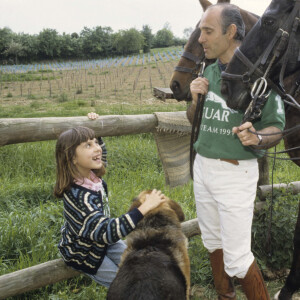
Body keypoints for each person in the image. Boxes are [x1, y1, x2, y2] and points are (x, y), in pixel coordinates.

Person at [187, 4, 285, 300]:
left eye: (207, 31)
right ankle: (224, 296)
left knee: (238, 258)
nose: (200, 38)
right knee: (212, 241)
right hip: (202, 167)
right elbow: (196, 120)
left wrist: (257, 136)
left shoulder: (261, 79)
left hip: (234, 172)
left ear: (231, 32)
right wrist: (194, 100)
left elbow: (275, 129)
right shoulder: (208, 72)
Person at [54, 120, 166, 288]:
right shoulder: (79, 197)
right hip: (84, 251)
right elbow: (108, 231)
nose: (97, 148)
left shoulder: (91, 176)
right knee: (124, 286)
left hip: (102, 239)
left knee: (138, 266)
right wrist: (143, 208)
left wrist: (95, 125)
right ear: (71, 157)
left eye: (96, 143)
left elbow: (100, 154)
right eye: (88, 145)